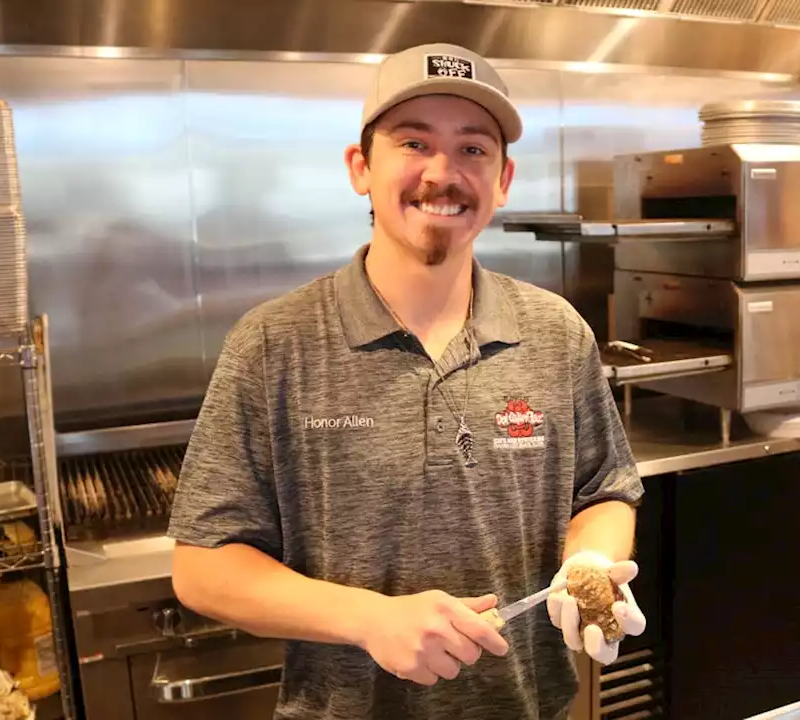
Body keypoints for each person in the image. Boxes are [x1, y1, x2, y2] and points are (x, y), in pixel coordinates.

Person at [167, 42, 646, 720]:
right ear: (361, 168)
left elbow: (605, 489)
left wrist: (590, 563)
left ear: (504, 178)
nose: (443, 173)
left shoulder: (556, 331)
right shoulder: (275, 343)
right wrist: (369, 619)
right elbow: (204, 566)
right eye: (414, 143)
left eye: (473, 149)